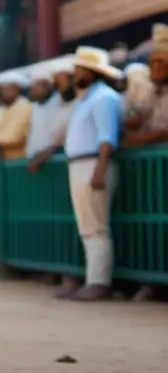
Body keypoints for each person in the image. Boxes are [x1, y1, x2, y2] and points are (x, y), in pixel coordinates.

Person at [59, 47, 122, 302]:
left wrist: (99, 171)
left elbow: (107, 139)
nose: (75, 74)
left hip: (93, 163)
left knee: (96, 227)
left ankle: (98, 282)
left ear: (94, 72)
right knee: (88, 227)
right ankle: (91, 279)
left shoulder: (104, 98)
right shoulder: (85, 99)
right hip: (79, 164)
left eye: (80, 69)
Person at [123, 25, 168, 147]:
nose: (155, 67)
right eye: (152, 62)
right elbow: (137, 120)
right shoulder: (151, 93)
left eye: (160, 62)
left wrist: (144, 138)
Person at [26, 64, 76, 173]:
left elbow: (58, 137)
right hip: (39, 160)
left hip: (60, 159)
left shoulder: (65, 103)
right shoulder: (34, 107)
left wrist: (47, 153)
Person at [0, 71, 33, 160]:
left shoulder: (25, 106)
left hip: (20, 160)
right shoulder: (0, 111)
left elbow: (15, 137)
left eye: (9, 88)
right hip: (1, 161)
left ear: (17, 88)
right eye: (3, 89)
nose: (5, 92)